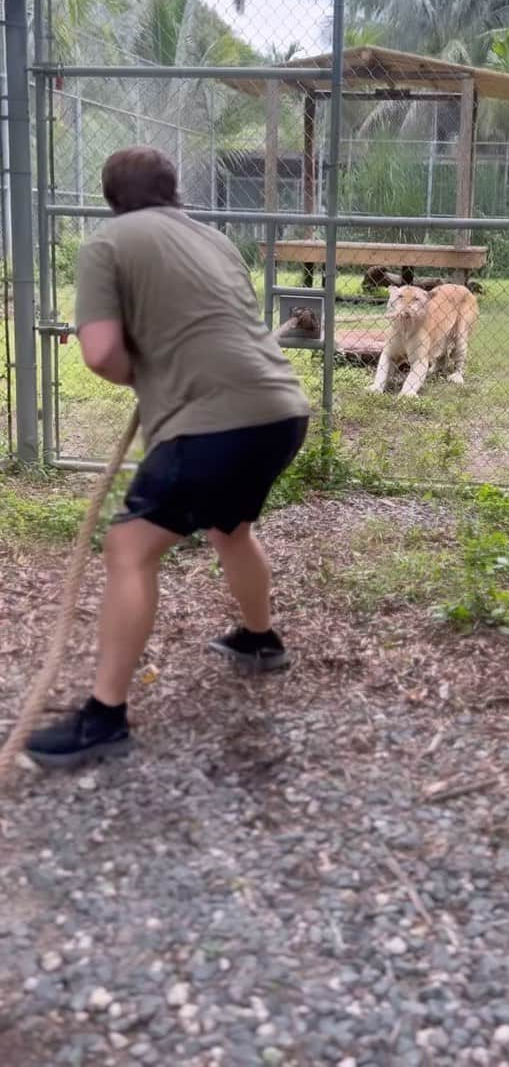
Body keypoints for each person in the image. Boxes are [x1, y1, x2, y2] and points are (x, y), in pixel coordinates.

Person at [26, 146, 310, 768]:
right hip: (282, 411)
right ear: (173, 191)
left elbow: (100, 354)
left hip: (212, 424)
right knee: (230, 526)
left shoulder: (108, 243)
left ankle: (102, 720)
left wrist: (146, 372)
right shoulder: (216, 241)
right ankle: (260, 642)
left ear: (111, 199)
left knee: (129, 549)